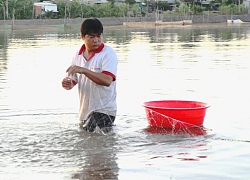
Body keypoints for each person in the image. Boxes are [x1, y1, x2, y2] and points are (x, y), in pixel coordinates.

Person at [62, 18, 118, 132]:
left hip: (104, 109)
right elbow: (73, 81)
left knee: (97, 144)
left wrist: (84, 70)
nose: (96, 40)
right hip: (84, 111)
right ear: (83, 37)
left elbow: (107, 80)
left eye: (99, 36)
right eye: (92, 37)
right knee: (89, 145)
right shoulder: (77, 55)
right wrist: (67, 83)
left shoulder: (108, 54)